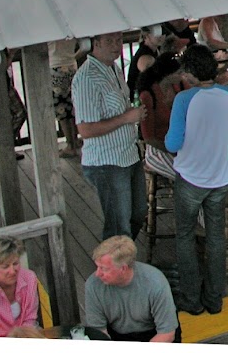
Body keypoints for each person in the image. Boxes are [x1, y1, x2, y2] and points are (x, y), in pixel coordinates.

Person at [165, 44, 228, 316]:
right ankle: (215, 298)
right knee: (216, 237)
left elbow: (173, 143)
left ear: (190, 72)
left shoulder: (184, 99)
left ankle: (191, 299)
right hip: (220, 177)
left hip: (191, 178)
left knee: (185, 236)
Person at [72, 31, 147, 241]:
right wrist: (126, 118)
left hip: (128, 155)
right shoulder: (87, 78)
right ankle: (115, 269)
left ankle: (121, 260)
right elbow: (85, 129)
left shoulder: (113, 68)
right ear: (95, 43)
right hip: (107, 161)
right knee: (118, 225)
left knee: (138, 212)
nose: (116, 45)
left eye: (119, 40)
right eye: (109, 41)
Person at [84, 235, 179, 342]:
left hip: (152, 334)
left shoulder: (155, 283)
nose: (97, 274)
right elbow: (98, 332)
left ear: (123, 268)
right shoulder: (93, 285)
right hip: (116, 335)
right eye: (97, 267)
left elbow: (167, 334)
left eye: (104, 269)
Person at [138, 45, 187, 181]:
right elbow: (148, 138)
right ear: (167, 75)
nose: (182, 75)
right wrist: (172, 150)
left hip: (179, 143)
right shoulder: (149, 95)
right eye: (179, 73)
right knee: (185, 176)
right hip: (158, 147)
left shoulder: (180, 86)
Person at [48, 38, 81, 157]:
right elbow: (85, 45)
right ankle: (75, 140)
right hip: (72, 67)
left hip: (55, 68)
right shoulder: (68, 28)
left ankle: (70, 145)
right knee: (72, 107)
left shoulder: (48, 31)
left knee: (61, 109)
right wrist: (73, 56)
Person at [126, 27, 163, 99]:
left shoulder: (155, 51)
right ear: (146, 36)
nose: (161, 36)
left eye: (162, 32)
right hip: (138, 98)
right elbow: (149, 81)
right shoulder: (145, 56)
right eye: (156, 33)